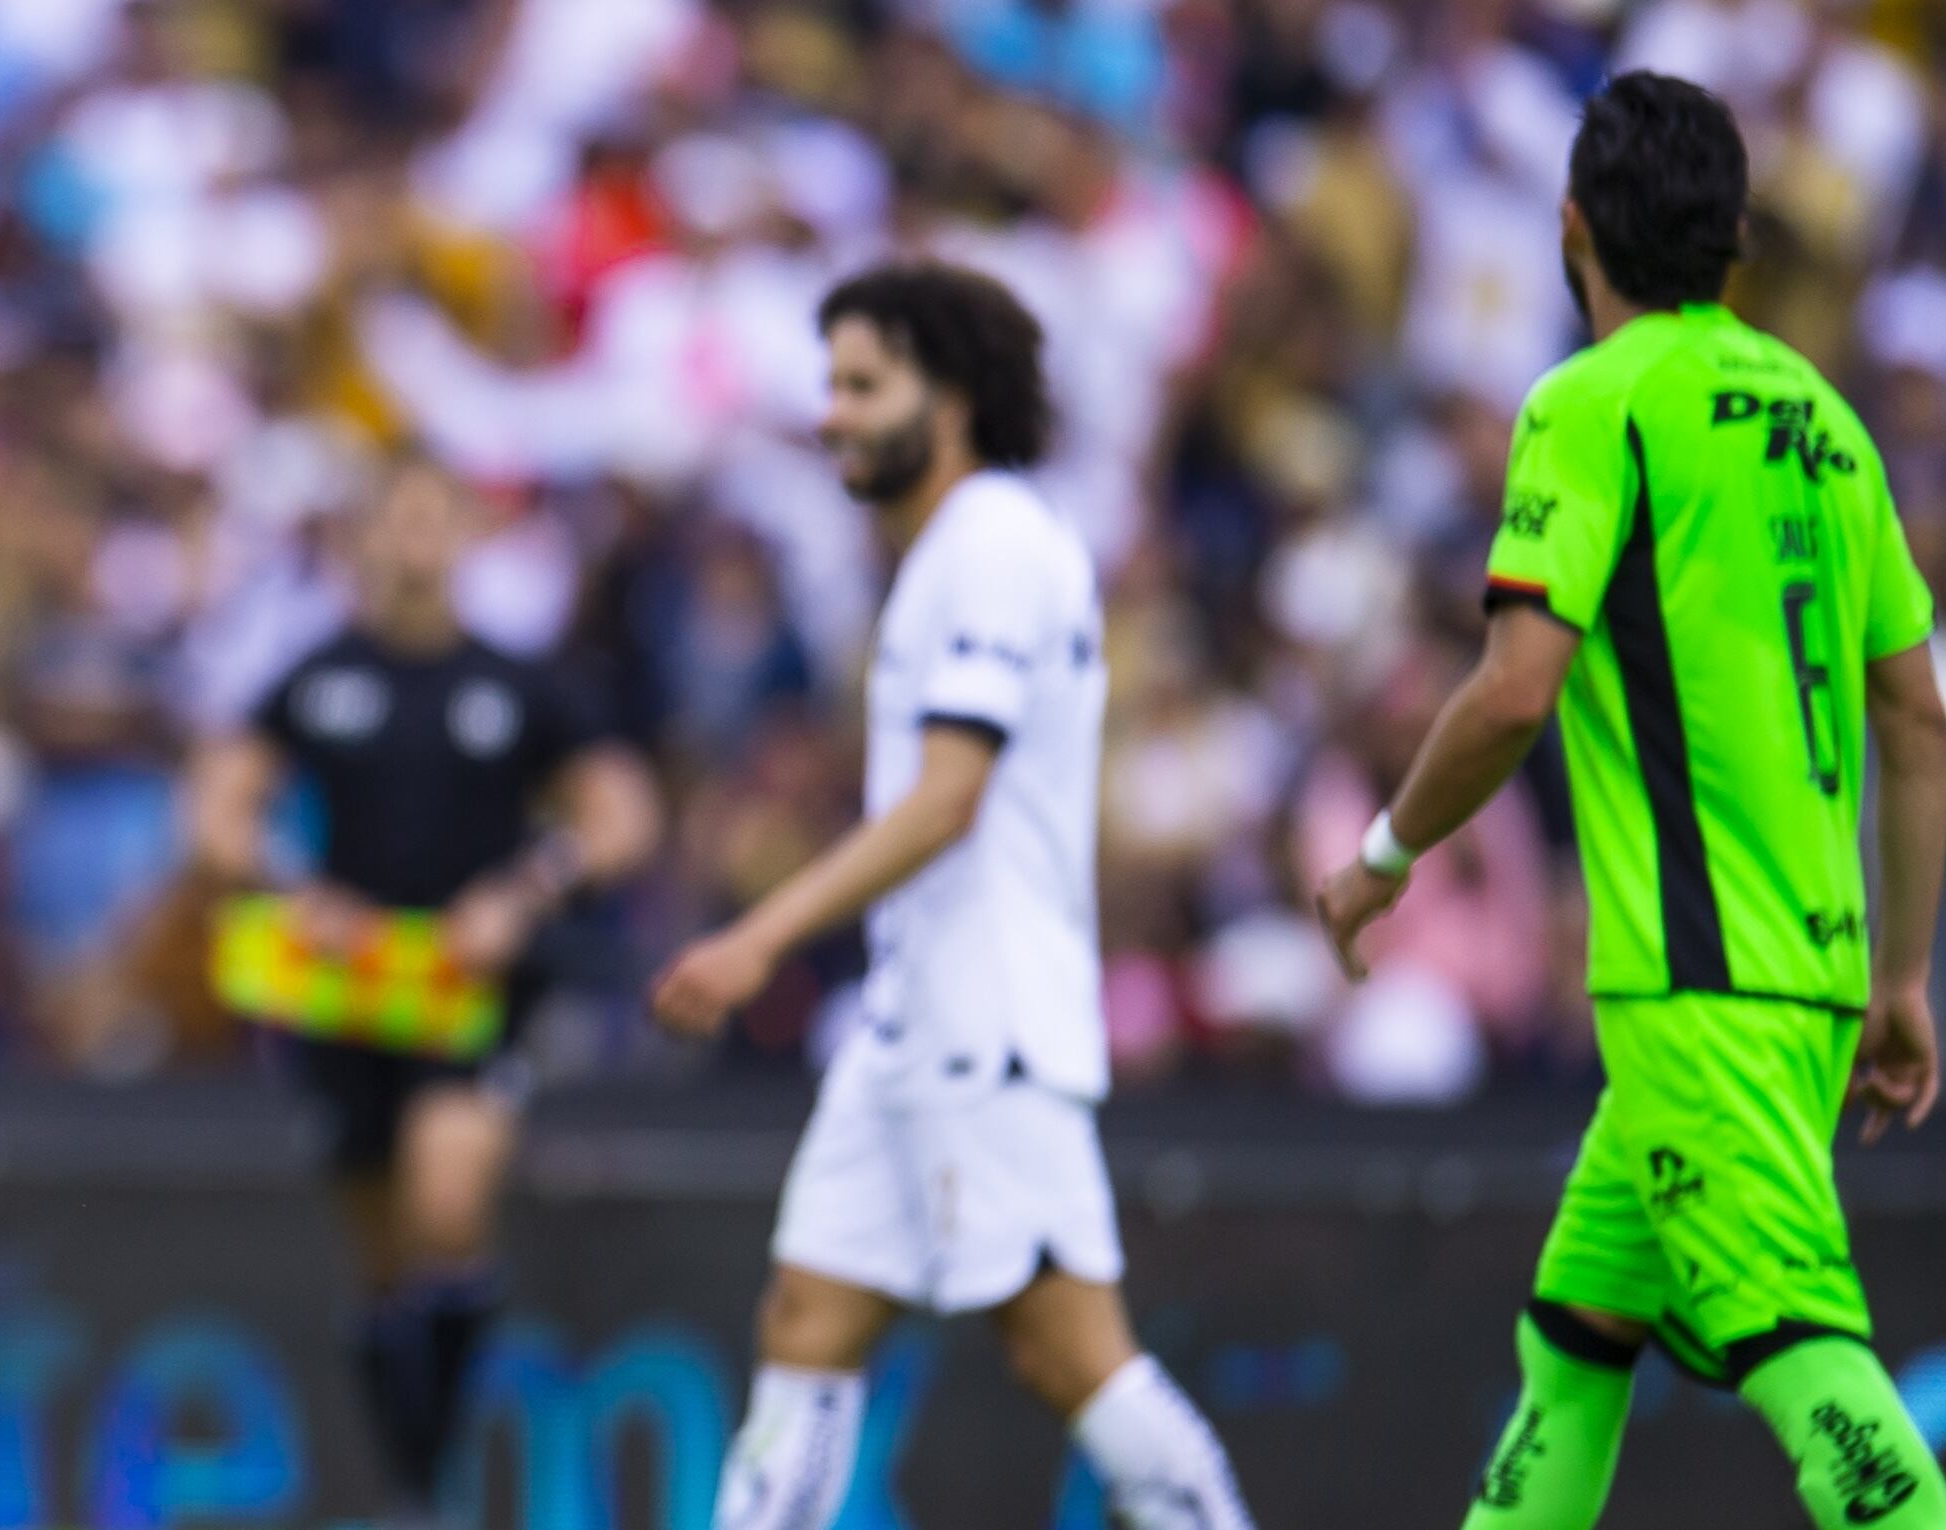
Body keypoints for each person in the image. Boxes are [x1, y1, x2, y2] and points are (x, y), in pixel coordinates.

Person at [1314, 70, 1946, 1530]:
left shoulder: (1591, 406)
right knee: (1572, 1351)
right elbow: (1916, 713)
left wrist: (1382, 853)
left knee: (1830, 1401)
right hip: (1802, 981)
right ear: (1735, 234)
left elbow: (1511, 689)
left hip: (1694, 986)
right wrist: (1903, 974)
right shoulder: (1826, 420)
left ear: (1569, 230)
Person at [651, 262, 1253, 1530]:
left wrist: (756, 938)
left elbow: (945, 799)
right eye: (829, 385)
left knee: (1067, 1352)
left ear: (957, 396)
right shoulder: (956, 550)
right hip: (912, 1021)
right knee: (807, 1318)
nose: (832, 415)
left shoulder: (991, 545)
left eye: (864, 385)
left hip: (987, 1020)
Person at [181, 456, 662, 1518]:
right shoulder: (319, 675)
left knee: (445, 1200)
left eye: (429, 522)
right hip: (351, 995)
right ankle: (409, 1472)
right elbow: (220, 808)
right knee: (380, 1253)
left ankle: (426, 1467)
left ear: (464, 539)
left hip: (466, 994)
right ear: (362, 540)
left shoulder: (517, 685)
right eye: (391, 522)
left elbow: (621, 815)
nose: (410, 543)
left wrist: (527, 890)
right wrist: (288, 884)